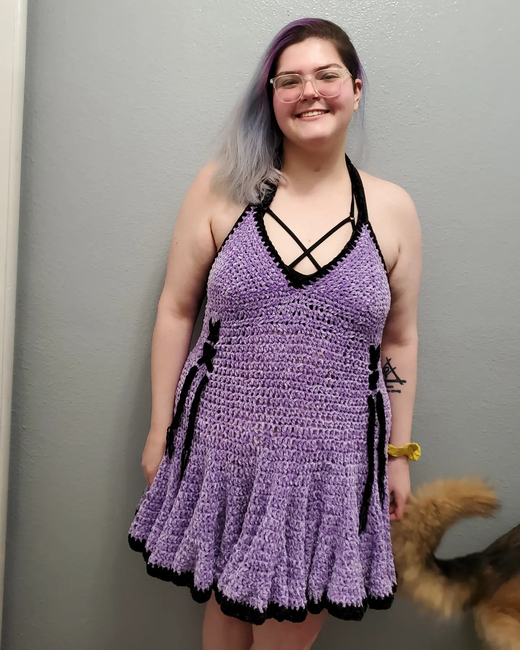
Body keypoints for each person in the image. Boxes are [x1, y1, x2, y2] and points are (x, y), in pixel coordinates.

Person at [128, 17, 422, 650]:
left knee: (285, 635)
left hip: (331, 467)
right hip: (222, 450)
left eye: (326, 75)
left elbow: (399, 338)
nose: (308, 91)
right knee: (225, 617)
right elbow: (176, 310)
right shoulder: (223, 189)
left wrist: (398, 456)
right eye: (289, 80)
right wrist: (159, 430)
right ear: (271, 97)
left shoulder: (392, 209)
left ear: (356, 89)